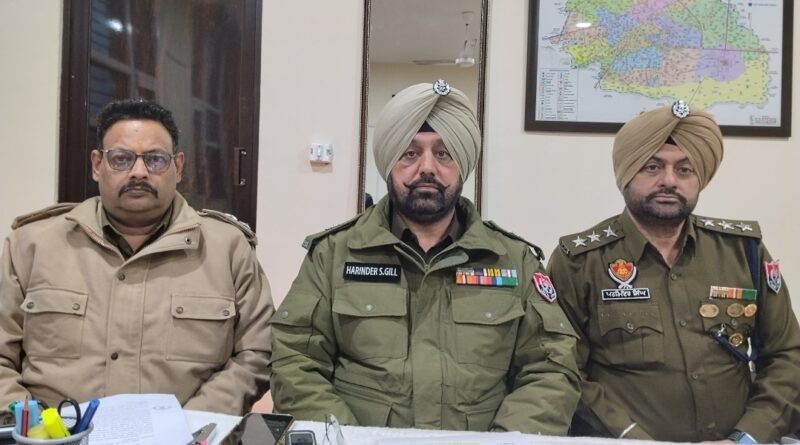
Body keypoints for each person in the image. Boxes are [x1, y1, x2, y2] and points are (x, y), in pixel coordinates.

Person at [271, 80, 581, 433]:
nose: (427, 168)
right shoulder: (333, 255)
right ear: (389, 163)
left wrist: (504, 443)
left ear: (462, 164)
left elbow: (551, 368)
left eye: (444, 153)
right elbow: (295, 360)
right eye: (410, 153)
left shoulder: (514, 260)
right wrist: (349, 441)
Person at [0, 99, 274, 415]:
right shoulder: (33, 244)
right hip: (52, 434)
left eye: (155, 160)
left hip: (193, 435)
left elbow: (257, 353)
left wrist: (189, 425)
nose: (139, 172)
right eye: (121, 159)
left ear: (178, 167)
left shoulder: (227, 249)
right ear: (97, 165)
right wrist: (36, 427)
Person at [547, 101, 800, 443]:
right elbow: (563, 369)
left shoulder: (744, 251)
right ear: (626, 173)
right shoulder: (580, 261)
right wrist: (631, 436)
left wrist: (747, 437)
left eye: (684, 170)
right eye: (652, 167)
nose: (669, 181)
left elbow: (787, 355)